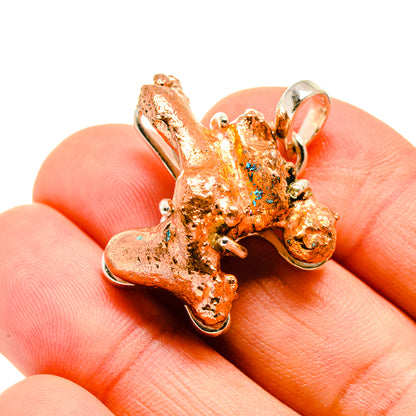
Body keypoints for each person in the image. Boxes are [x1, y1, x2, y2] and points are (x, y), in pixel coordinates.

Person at [0, 87, 415, 416]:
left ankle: (184, 268)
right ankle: (180, 262)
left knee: (196, 187)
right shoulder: (269, 173)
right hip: (210, 176)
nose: (309, 236)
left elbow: (255, 223)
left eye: (309, 240)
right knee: (192, 167)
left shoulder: (277, 210)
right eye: (315, 232)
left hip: (210, 199)